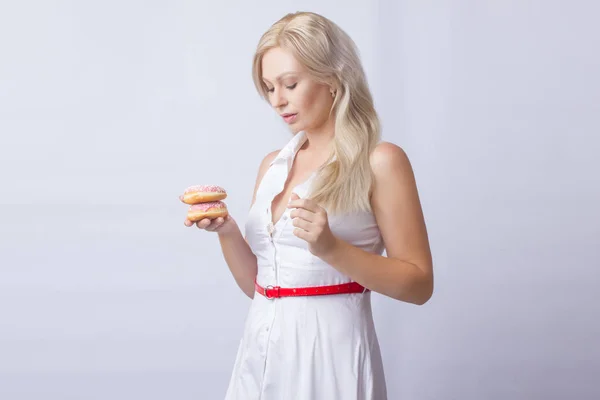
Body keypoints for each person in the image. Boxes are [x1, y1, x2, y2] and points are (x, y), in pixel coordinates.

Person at [183, 11, 434, 400]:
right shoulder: (272, 165)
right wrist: (228, 232)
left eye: (290, 84)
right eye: (268, 88)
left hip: (330, 355)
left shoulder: (380, 161)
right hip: (259, 350)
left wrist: (332, 248)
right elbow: (262, 287)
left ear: (332, 79)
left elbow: (419, 285)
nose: (277, 101)